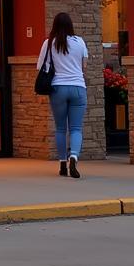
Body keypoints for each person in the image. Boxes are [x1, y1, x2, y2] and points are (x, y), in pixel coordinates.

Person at [36, 12, 89, 178]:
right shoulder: (79, 41)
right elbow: (84, 65)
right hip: (78, 87)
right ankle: (73, 155)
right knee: (76, 128)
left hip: (58, 87)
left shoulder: (49, 42)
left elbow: (40, 67)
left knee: (60, 128)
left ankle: (62, 164)